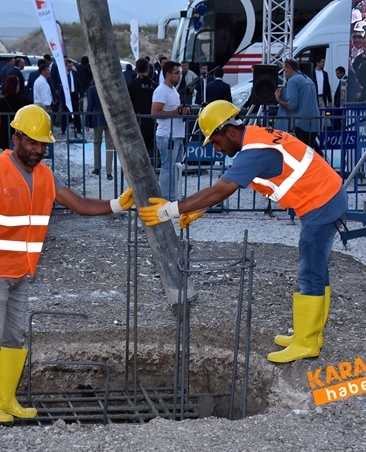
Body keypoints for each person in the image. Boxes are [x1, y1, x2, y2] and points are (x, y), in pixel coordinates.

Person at [0, 105, 135, 423]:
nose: (38, 150)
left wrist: (115, 205)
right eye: (32, 142)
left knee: (13, 336)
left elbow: (80, 204)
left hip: (20, 271)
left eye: (43, 144)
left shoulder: (45, 176)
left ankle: (5, 398)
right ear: (16, 138)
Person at [138, 100, 347, 363]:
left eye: (215, 141)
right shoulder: (255, 139)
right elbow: (236, 181)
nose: (216, 148)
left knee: (311, 271)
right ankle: (310, 336)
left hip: (321, 204)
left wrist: (169, 210)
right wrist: (200, 207)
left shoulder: (254, 151)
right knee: (316, 269)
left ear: (229, 132)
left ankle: (307, 343)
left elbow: (222, 188)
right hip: (325, 196)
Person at [152, 60, 189, 200]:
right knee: (168, 168)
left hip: (177, 135)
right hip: (167, 136)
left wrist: (183, 111)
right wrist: (176, 112)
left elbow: (174, 110)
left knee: (176, 169)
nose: (179, 75)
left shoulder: (173, 90)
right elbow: (155, 113)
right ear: (168, 74)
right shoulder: (161, 91)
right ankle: (166, 198)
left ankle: (173, 196)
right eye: (177, 73)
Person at [275, 58, 322, 155]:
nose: (284, 73)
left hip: (300, 126)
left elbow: (291, 105)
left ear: (289, 69)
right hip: (313, 124)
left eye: (284, 69)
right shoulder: (308, 79)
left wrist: (278, 99)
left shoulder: (293, 81)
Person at [127, 57, 156, 157]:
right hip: (152, 121)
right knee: (150, 148)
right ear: (148, 69)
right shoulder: (154, 85)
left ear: (136, 70)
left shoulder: (132, 84)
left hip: (136, 120)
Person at [85, 83, 115, 179]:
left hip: (97, 119)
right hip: (110, 120)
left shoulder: (92, 89)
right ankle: (109, 172)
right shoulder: (111, 87)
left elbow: (90, 106)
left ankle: (97, 168)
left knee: (97, 144)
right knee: (109, 146)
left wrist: (87, 122)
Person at [0, 74, 30, 152]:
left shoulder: (1, 102)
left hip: (5, 134)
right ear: (17, 86)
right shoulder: (24, 100)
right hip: (20, 134)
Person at [60, 58, 82, 137]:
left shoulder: (75, 74)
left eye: (71, 66)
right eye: (69, 66)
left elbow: (79, 84)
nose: (70, 67)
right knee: (65, 113)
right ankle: (63, 129)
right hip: (66, 96)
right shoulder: (63, 74)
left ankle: (78, 128)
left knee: (76, 112)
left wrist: (81, 95)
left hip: (74, 95)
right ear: (66, 66)